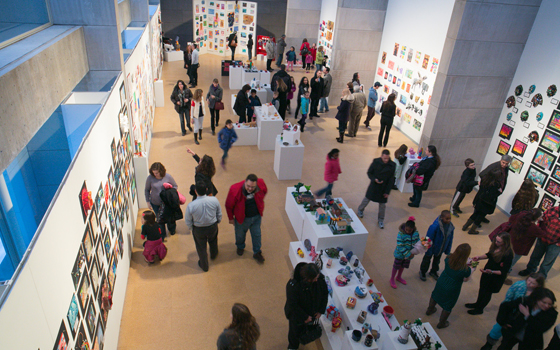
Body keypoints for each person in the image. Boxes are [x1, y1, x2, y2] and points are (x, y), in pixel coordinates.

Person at [480, 273, 546, 350]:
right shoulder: (519, 285)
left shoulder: (540, 295)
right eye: (528, 280)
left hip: (521, 318)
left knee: (510, 337)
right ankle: (489, 343)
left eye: (533, 283)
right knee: (497, 329)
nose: (528, 283)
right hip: (510, 312)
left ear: (539, 285)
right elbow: (508, 298)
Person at [490, 209, 544, 284]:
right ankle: (502, 278)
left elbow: (511, 218)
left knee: (501, 257)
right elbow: (543, 234)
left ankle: (493, 271)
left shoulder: (521, 216)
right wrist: (540, 223)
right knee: (509, 264)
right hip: (519, 249)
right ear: (537, 218)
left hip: (508, 242)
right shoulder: (534, 228)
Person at [426, 243, 474, 329]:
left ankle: (430, 310)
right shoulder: (465, 269)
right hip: (453, 287)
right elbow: (466, 278)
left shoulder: (448, 258)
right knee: (448, 305)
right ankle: (441, 323)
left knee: (435, 295)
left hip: (442, 281)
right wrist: (473, 267)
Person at [466, 232, 514, 315]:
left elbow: (503, 271)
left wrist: (491, 272)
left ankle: (480, 309)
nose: (496, 242)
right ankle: (477, 303)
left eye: (499, 242)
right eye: (496, 240)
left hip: (495, 278)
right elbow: (489, 255)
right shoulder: (496, 246)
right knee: (482, 289)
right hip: (487, 272)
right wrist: (479, 257)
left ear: (505, 243)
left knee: (487, 293)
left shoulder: (508, 254)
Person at [285, 262, 328, 350]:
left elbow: (324, 294)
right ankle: (293, 347)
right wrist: (304, 317)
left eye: (317, 277)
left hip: (312, 314)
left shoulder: (319, 279)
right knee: (294, 332)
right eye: (315, 278)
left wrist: (320, 310)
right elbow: (293, 305)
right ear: (308, 278)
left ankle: (302, 339)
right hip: (296, 316)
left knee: (306, 330)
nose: (317, 279)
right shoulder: (293, 286)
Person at [225, 174, 268, 263]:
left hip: (256, 217)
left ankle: (257, 252)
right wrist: (231, 218)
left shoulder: (261, 183)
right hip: (242, 219)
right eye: (248, 186)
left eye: (253, 187)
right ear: (245, 182)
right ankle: (240, 246)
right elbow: (228, 205)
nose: (250, 189)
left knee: (257, 235)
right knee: (240, 235)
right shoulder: (235, 190)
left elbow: (264, 191)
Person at [184, 181, 221, 272]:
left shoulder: (191, 206)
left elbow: (188, 220)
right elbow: (219, 213)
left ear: (196, 191)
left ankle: (204, 265)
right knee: (213, 240)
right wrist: (217, 221)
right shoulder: (214, 200)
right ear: (206, 190)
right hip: (212, 226)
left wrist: (191, 228)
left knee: (201, 247)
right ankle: (214, 254)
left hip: (199, 229)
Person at [357, 150, 396, 229]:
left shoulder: (392, 165)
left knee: (382, 205)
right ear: (381, 156)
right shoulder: (376, 162)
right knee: (367, 199)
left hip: (383, 188)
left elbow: (391, 180)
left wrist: (387, 192)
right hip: (374, 186)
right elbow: (369, 172)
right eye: (384, 158)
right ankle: (360, 209)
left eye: (387, 159)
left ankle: (381, 220)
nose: (386, 160)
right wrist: (374, 179)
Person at [519, 204, 560, 279]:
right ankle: (529, 270)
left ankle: (541, 277)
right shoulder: (552, 210)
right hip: (543, 238)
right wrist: (538, 231)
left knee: (547, 262)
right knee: (535, 256)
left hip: (555, 244)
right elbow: (541, 220)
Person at [463, 168, 503, 235]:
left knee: (475, 214)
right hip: (486, 203)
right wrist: (499, 192)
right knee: (480, 216)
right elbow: (492, 195)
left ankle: (465, 226)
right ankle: (472, 230)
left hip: (479, 200)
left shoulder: (485, 180)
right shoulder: (495, 184)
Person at [145, 162, 178, 236]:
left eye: (156, 173)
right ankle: (162, 233)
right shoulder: (150, 178)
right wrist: (148, 201)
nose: (155, 175)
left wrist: (169, 191)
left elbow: (175, 186)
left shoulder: (168, 177)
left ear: (161, 171)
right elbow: (147, 190)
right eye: (153, 173)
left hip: (167, 203)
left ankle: (172, 229)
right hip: (155, 203)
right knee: (159, 219)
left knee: (169, 217)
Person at [420, 210, 454, 281]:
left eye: (450, 218)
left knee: (437, 261)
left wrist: (447, 250)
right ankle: (423, 271)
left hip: (440, 248)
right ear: (442, 217)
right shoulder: (434, 226)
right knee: (426, 260)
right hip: (431, 248)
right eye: (447, 219)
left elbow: (450, 239)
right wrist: (427, 250)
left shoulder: (451, 227)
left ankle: (433, 271)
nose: (449, 220)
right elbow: (427, 238)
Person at [477, 155, 512, 225]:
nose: (504, 165)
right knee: (482, 205)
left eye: (506, 163)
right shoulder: (494, 166)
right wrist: (490, 184)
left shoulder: (506, 168)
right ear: (500, 160)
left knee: (487, 206)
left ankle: (481, 217)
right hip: (489, 190)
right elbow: (482, 174)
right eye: (503, 163)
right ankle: (477, 220)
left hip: (495, 191)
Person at [391, 217, 420, 289]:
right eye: (406, 230)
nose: (407, 231)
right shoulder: (401, 234)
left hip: (408, 255)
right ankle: (392, 278)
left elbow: (417, 241)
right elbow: (400, 246)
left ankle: (399, 277)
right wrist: (409, 254)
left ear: (413, 229)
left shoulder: (416, 233)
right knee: (396, 266)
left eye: (410, 230)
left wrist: (421, 246)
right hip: (400, 254)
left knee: (403, 266)